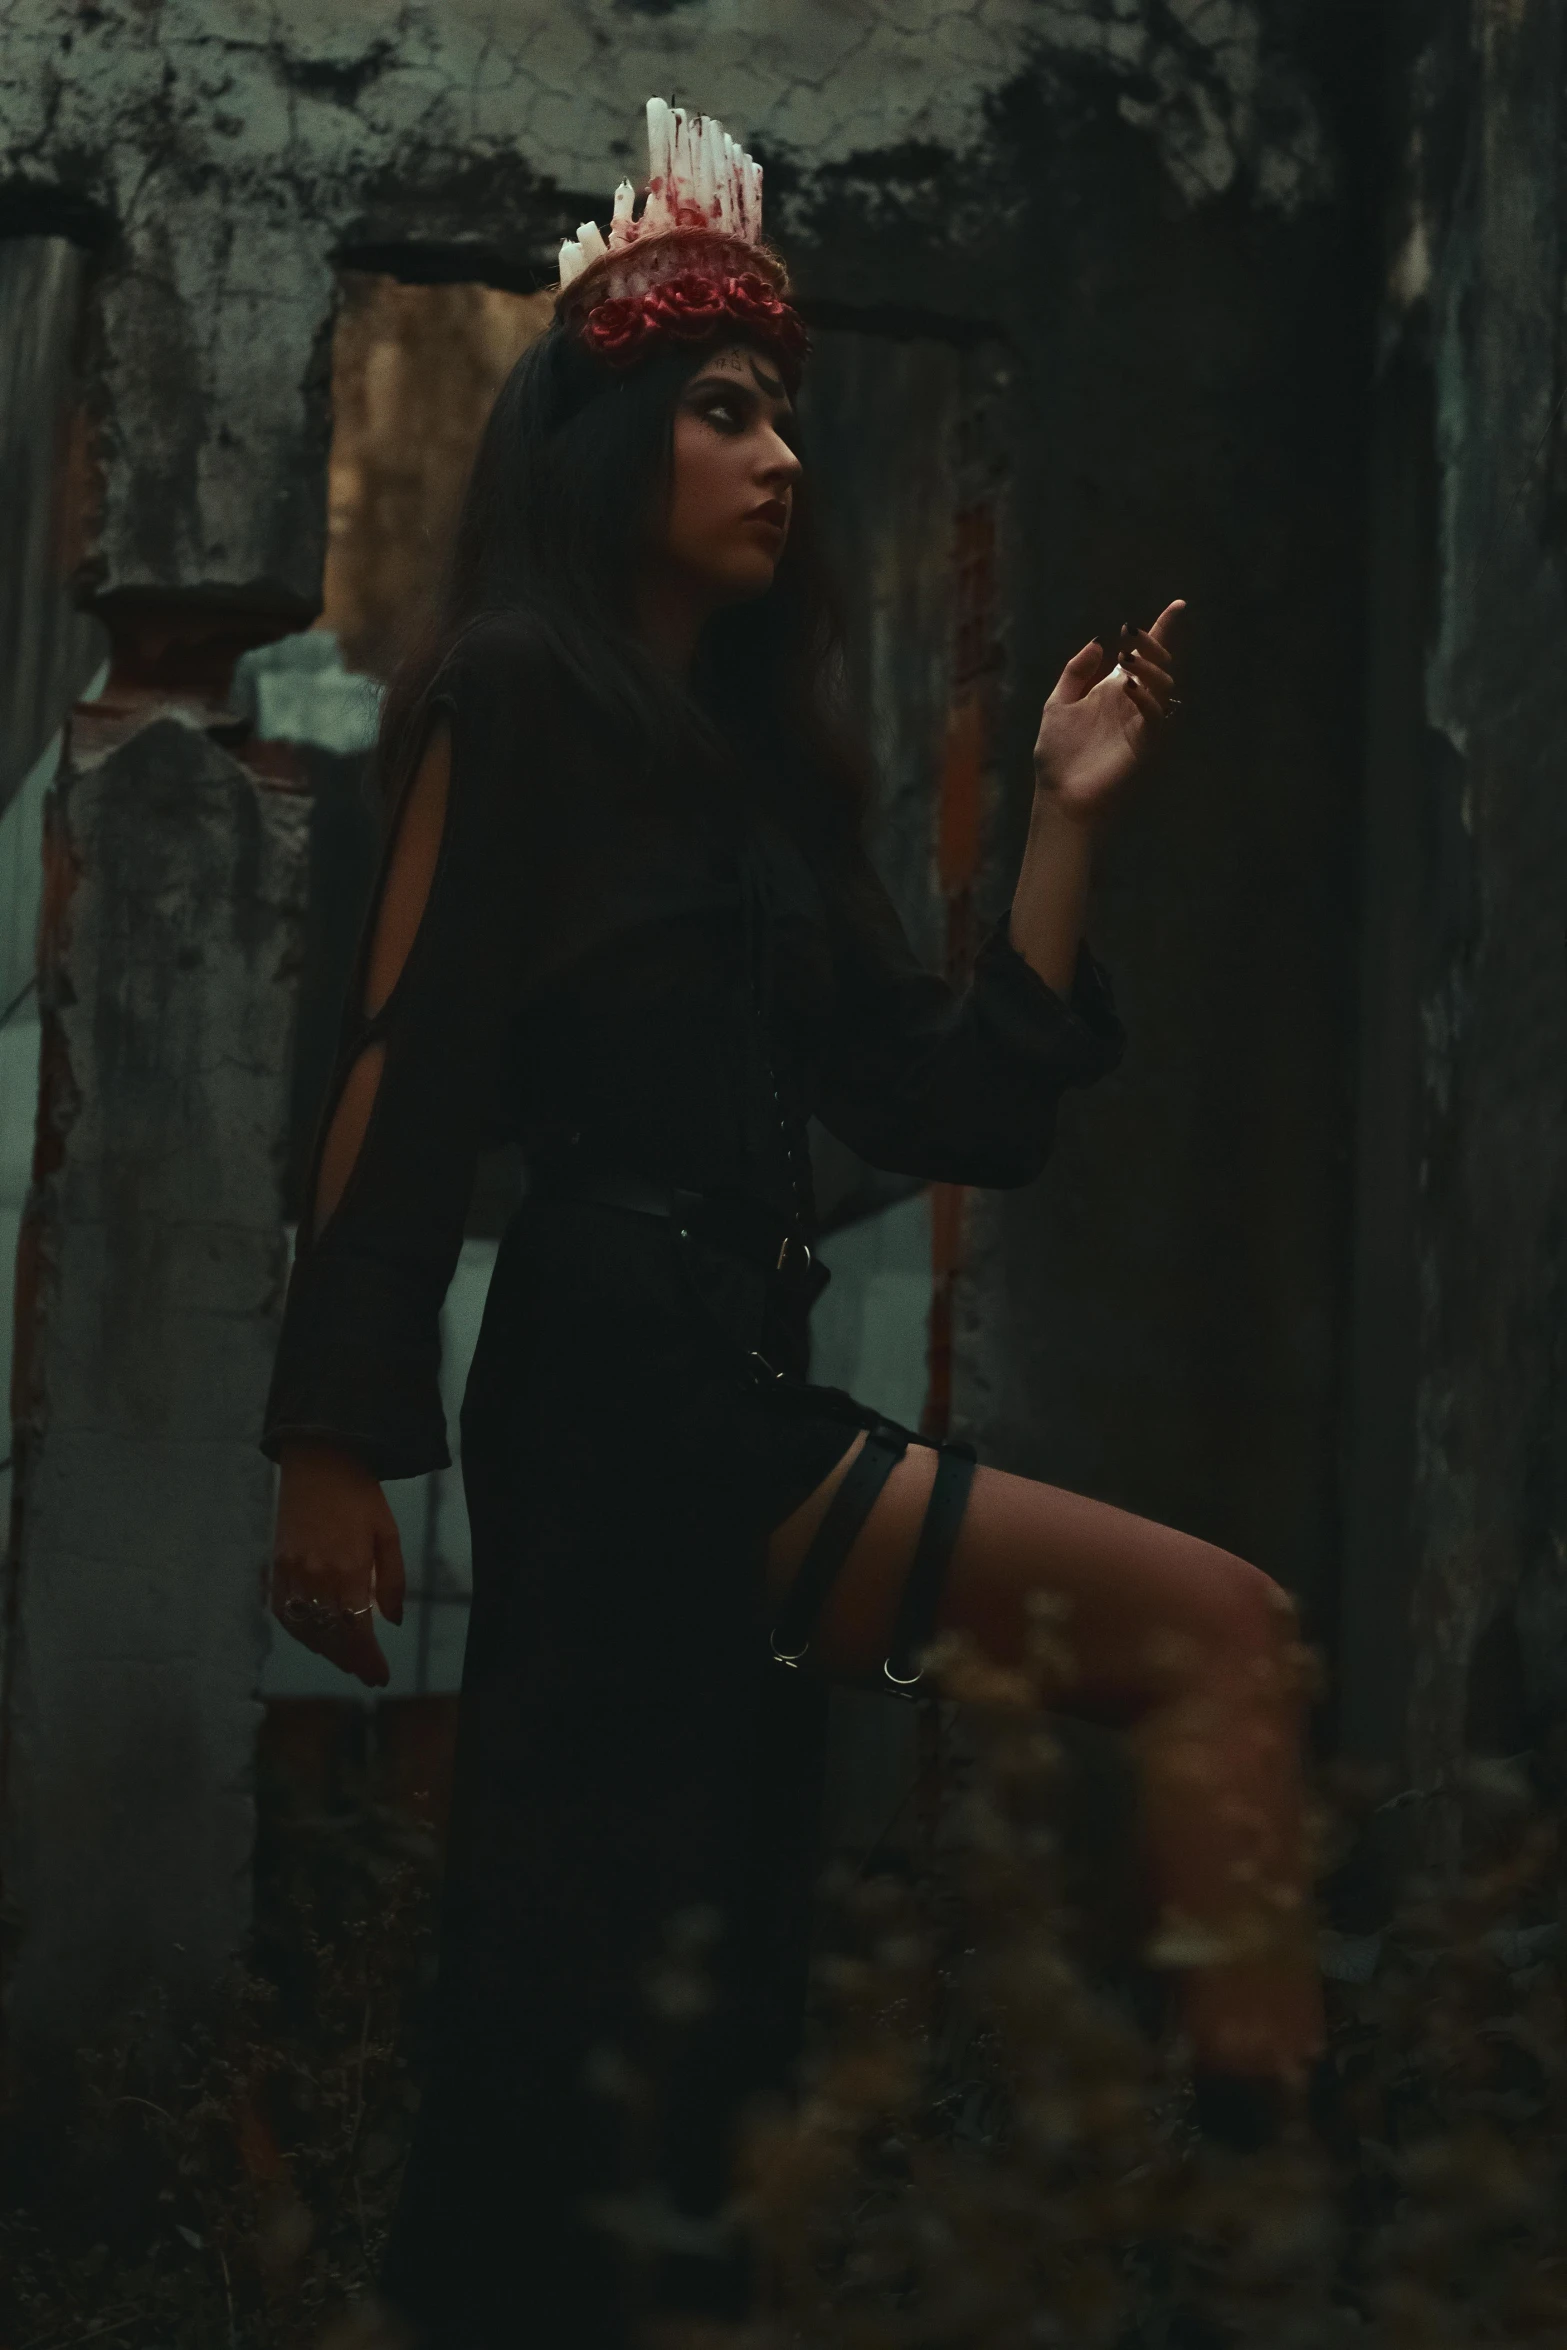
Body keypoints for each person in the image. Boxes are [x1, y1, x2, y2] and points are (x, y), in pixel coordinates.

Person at [262, 99, 1323, 2350]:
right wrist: (327, 1436)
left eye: (791, 422)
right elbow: (402, 1051)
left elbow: (954, 1100)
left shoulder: (760, 776)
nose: (779, 460)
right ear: (616, 427)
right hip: (614, 1371)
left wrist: (1064, 818)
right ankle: (1274, 2245)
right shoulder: (511, 689)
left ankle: (1218, 2219)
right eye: (727, 413)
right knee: (1211, 1634)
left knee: (671, 1941)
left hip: (716, 1374)